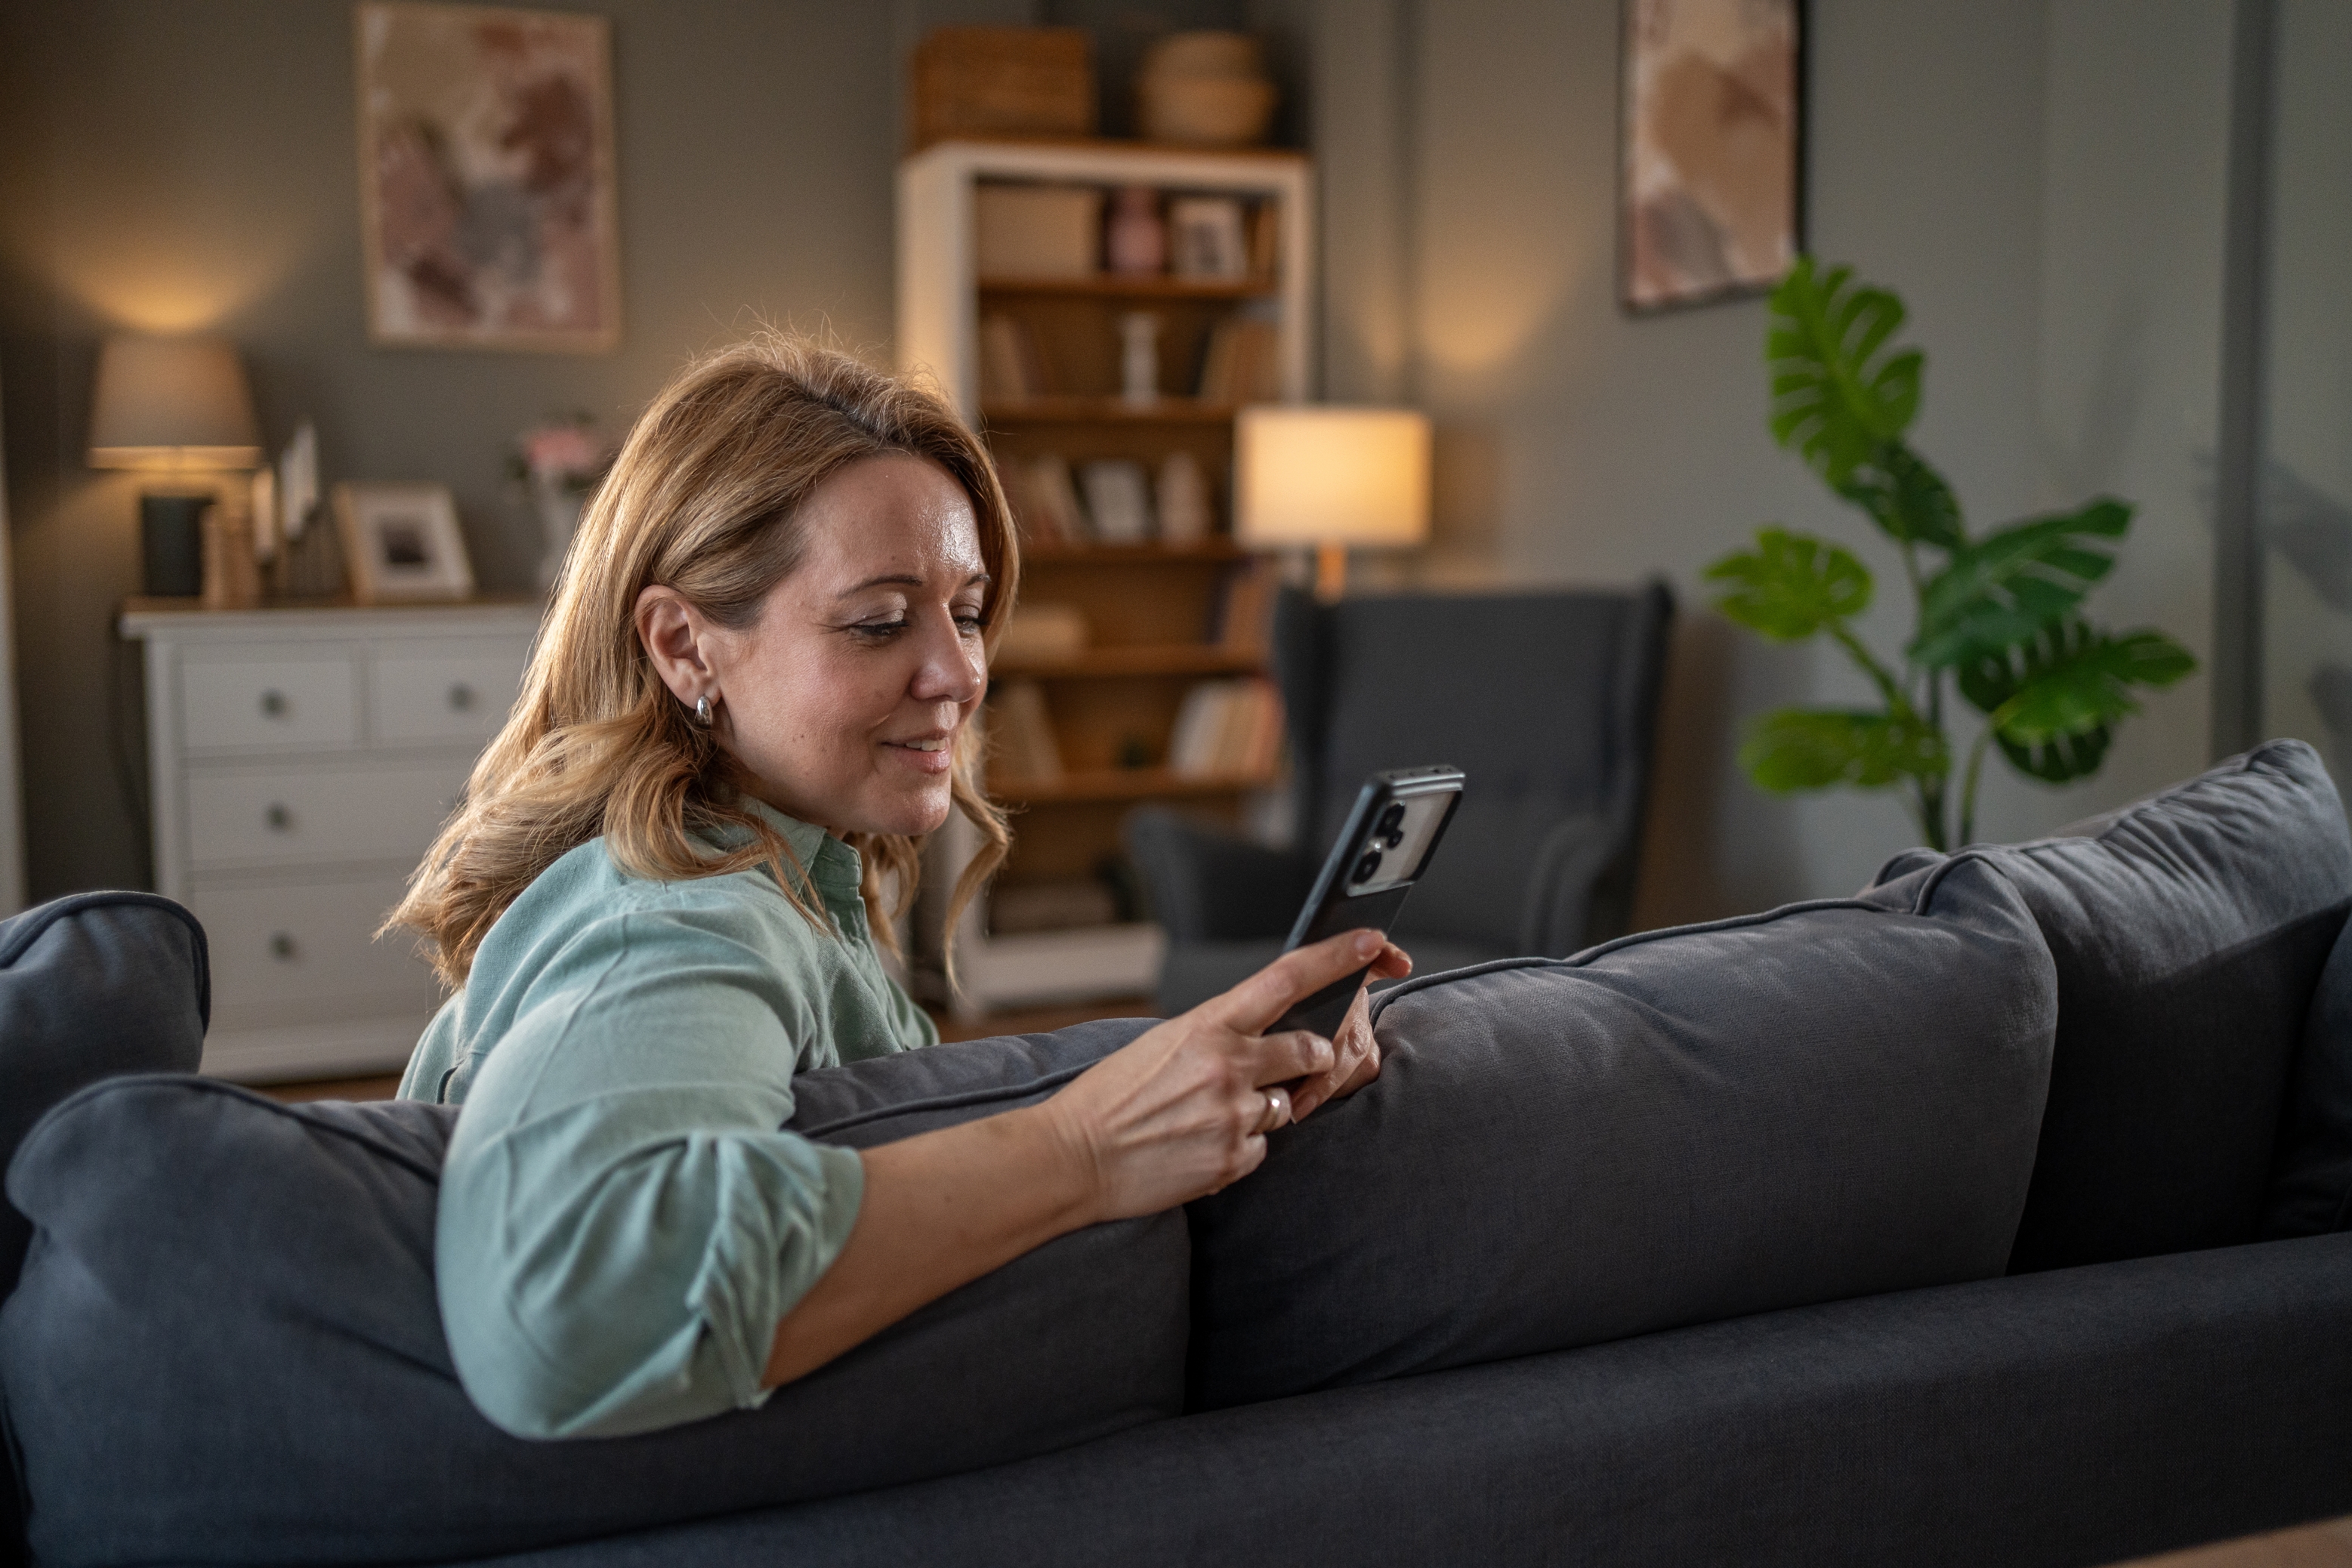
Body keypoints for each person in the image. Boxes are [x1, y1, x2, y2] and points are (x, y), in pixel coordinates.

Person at [390, 334, 1410, 1440]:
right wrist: (1079, 1150)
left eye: (966, 611)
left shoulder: (784, 889)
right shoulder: (676, 918)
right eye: (878, 620)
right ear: (685, 646)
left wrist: (1234, 1087)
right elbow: (577, 1302)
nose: (962, 673)